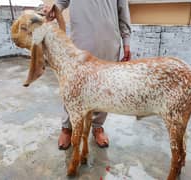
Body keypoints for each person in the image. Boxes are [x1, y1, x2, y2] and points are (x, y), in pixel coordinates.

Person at [44, 0, 131, 150]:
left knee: (104, 89)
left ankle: (97, 126)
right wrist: (55, 8)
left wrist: (127, 41)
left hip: (109, 42)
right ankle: (67, 127)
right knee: (72, 88)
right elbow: (62, 1)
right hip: (80, 41)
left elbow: (123, 10)